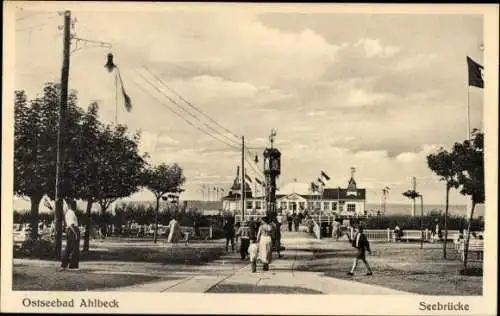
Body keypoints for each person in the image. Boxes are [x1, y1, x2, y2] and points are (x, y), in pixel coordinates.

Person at [44, 197, 81, 271]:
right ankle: (72, 266)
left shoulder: (70, 212)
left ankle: (65, 265)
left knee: (69, 248)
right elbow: (71, 225)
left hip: (71, 231)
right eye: (74, 205)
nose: (75, 206)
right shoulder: (70, 213)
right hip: (72, 231)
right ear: (70, 205)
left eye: (75, 205)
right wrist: (76, 233)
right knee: (73, 249)